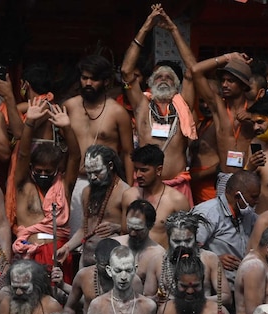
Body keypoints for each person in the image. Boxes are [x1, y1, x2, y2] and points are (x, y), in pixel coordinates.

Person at [121, 5, 198, 203]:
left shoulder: (183, 106)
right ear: (150, 83)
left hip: (178, 187)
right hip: (145, 188)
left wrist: (173, 30)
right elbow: (126, 72)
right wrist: (147, 26)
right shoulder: (142, 105)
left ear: (177, 85)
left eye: (169, 77)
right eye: (158, 76)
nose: (163, 79)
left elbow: (193, 70)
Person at [64, 55, 134, 238]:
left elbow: (128, 153)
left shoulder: (118, 112)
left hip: (106, 185)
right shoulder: (69, 107)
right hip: (76, 181)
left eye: (93, 79)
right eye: (84, 77)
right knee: (74, 237)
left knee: (102, 237)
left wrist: (131, 189)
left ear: (106, 81)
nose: (88, 83)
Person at [11, 100, 80, 268]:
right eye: (39, 171)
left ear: (57, 170)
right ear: (31, 168)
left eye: (48, 172)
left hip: (58, 255)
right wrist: (29, 123)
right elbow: (23, 154)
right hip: (29, 254)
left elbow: (75, 157)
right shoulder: (23, 185)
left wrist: (67, 128)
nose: (43, 175)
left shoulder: (64, 185)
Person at [189, 51, 256, 194]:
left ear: (243, 85)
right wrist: (228, 57)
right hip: (224, 178)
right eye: (223, 80)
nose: (224, 85)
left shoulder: (256, 108)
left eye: (230, 81)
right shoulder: (218, 108)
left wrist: (253, 118)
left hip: (248, 175)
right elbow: (195, 70)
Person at [149, 249, 236, 314]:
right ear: (176, 283)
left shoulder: (217, 313)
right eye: (184, 286)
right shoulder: (165, 311)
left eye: (195, 286)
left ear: (202, 283)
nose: (190, 291)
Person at [57, 144, 128, 269]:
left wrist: (117, 227)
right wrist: (67, 247)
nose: (93, 177)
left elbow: (137, 231)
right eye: (89, 173)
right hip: (86, 259)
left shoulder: (125, 193)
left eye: (97, 172)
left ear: (110, 166)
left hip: (112, 263)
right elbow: (85, 229)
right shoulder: (86, 192)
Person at [191, 170, 260, 285]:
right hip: (215, 288)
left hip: (243, 286)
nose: (257, 201)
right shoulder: (206, 213)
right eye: (253, 197)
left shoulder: (250, 215)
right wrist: (214, 260)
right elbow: (186, 250)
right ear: (238, 196)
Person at [122, 144, 191, 248]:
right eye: (136, 169)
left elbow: (186, 239)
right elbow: (123, 232)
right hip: (132, 257)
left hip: (161, 260)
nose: (138, 175)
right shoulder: (129, 196)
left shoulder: (177, 200)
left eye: (144, 170)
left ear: (158, 170)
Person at [155, 211, 231, 306]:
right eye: (176, 241)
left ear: (195, 237)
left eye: (188, 240)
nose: (183, 245)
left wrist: (190, 301)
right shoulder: (158, 261)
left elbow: (226, 297)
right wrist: (156, 299)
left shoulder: (210, 259)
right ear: (168, 239)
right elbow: (148, 297)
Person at [112, 199, 165, 294]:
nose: (132, 233)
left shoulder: (158, 254)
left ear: (150, 226)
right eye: (130, 227)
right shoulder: (115, 245)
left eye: (138, 230)